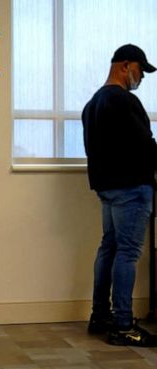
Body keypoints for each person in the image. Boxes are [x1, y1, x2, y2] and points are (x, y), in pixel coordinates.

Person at [82, 44, 157, 347]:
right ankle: (124, 325)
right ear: (126, 66)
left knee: (109, 249)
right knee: (127, 252)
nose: (142, 78)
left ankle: (100, 316)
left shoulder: (93, 103)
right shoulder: (125, 101)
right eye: (141, 70)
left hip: (107, 189)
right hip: (132, 189)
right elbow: (145, 147)